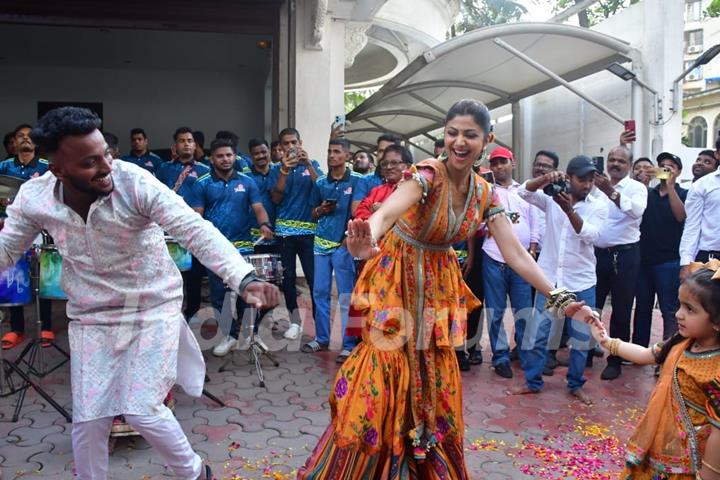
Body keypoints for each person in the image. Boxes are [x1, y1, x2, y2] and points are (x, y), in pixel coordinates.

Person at [298, 99, 592, 479]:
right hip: (394, 280)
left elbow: (516, 254)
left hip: (437, 287)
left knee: (430, 377)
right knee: (384, 374)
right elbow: (386, 212)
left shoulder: (486, 193)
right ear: (443, 136)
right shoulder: (426, 175)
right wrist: (366, 238)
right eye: (452, 133)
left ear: (486, 140)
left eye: (470, 134)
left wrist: (560, 298)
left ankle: (419, 463)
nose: (459, 141)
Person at [0, 106, 279, 480]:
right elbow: (7, 249)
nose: (105, 167)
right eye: (90, 162)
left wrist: (243, 278)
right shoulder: (36, 198)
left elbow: (195, 230)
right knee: (89, 419)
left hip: (151, 306)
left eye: (107, 155)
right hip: (91, 316)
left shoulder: (135, 183)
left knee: (142, 408)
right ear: (58, 170)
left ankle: (196, 473)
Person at [581, 262, 720, 479]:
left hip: (691, 465)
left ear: (717, 321)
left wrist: (709, 475)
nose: (679, 315)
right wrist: (606, 341)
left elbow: (718, 432)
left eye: (690, 309)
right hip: (659, 446)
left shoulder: (716, 369)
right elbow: (646, 355)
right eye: (680, 305)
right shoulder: (680, 342)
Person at [517, 155, 608, 404]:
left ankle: (575, 384)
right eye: (581, 179)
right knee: (538, 334)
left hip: (582, 281)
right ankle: (533, 382)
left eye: (591, 180)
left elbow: (591, 235)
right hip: (551, 281)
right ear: (568, 178)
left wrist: (568, 210)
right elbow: (523, 192)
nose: (587, 185)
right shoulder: (551, 197)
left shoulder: (599, 204)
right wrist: (546, 177)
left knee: (580, 340)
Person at [188, 138, 274, 356]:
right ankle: (229, 335)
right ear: (211, 158)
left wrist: (264, 224)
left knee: (248, 291)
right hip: (215, 249)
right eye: (220, 156)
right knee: (220, 295)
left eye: (229, 155)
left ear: (235, 156)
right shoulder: (202, 183)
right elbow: (197, 216)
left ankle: (248, 335)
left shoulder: (247, 182)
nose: (225, 159)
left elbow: (258, 208)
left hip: (244, 246)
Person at [302, 138, 365, 363]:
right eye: (329, 151)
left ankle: (349, 344)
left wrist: (349, 240)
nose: (331, 155)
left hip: (344, 245)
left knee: (346, 295)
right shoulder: (320, 183)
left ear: (347, 156)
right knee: (319, 292)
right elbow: (312, 213)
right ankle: (321, 338)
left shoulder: (359, 180)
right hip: (320, 243)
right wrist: (320, 209)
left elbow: (361, 213)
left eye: (336, 151)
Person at [481, 146, 539, 379]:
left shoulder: (524, 191)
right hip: (493, 256)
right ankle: (500, 357)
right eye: (494, 163)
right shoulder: (486, 192)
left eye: (502, 162)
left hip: (522, 259)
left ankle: (526, 355)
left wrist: (533, 249)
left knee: (523, 309)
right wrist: (490, 224)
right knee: (495, 311)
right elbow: (477, 224)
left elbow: (535, 222)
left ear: (512, 163)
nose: (498, 167)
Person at [593, 145, 648, 380]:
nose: (615, 164)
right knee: (591, 307)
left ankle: (615, 359)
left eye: (621, 161)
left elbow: (636, 212)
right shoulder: (593, 186)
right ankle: (585, 352)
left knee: (622, 309)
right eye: (611, 159)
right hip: (596, 255)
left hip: (625, 256)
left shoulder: (637, 188)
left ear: (629, 165)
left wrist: (611, 192)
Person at [0, 124, 53, 350]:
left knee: (42, 278)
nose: (25, 139)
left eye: (29, 136)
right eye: (20, 136)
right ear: (14, 142)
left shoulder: (46, 167)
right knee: (13, 278)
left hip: (39, 230)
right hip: (12, 229)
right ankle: (16, 329)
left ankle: (46, 327)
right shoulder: (3, 167)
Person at [271, 127, 323, 340]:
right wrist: (284, 170)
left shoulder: (314, 164)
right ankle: (295, 323)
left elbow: (321, 190)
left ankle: (321, 325)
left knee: (314, 279)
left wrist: (309, 164)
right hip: (284, 232)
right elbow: (275, 198)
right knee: (288, 278)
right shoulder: (276, 168)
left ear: (300, 142)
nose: (291, 147)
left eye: (294, 142)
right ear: (281, 147)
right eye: (286, 144)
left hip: (310, 232)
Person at [633, 152, 687, 350]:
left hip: (669, 261)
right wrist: (643, 180)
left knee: (669, 309)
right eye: (662, 165)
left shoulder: (683, 193)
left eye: (670, 166)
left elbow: (681, 216)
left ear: (678, 171)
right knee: (642, 308)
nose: (665, 169)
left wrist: (671, 186)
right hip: (644, 261)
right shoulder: (648, 193)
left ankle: (668, 353)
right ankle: (638, 349)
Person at [156, 127, 211, 320]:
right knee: (168, 271)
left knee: (194, 274)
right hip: (167, 227)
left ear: (195, 145)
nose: (186, 144)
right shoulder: (164, 169)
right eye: (182, 141)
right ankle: (169, 311)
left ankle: (192, 311)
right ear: (175, 146)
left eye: (189, 140)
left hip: (193, 228)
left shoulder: (205, 171)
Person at [680, 146, 720, 280]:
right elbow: (692, 225)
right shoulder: (702, 185)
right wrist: (686, 263)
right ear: (717, 154)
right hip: (710, 260)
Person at [354, 144, 412, 221]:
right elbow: (360, 212)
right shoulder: (376, 190)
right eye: (385, 164)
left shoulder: (415, 188)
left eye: (394, 163)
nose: (388, 167)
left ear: (407, 166)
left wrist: (382, 210)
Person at [244, 138, 278, 251]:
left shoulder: (279, 172)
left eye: (263, 152)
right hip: (252, 236)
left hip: (278, 234)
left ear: (269, 151)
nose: (260, 156)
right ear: (251, 155)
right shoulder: (245, 177)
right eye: (256, 153)